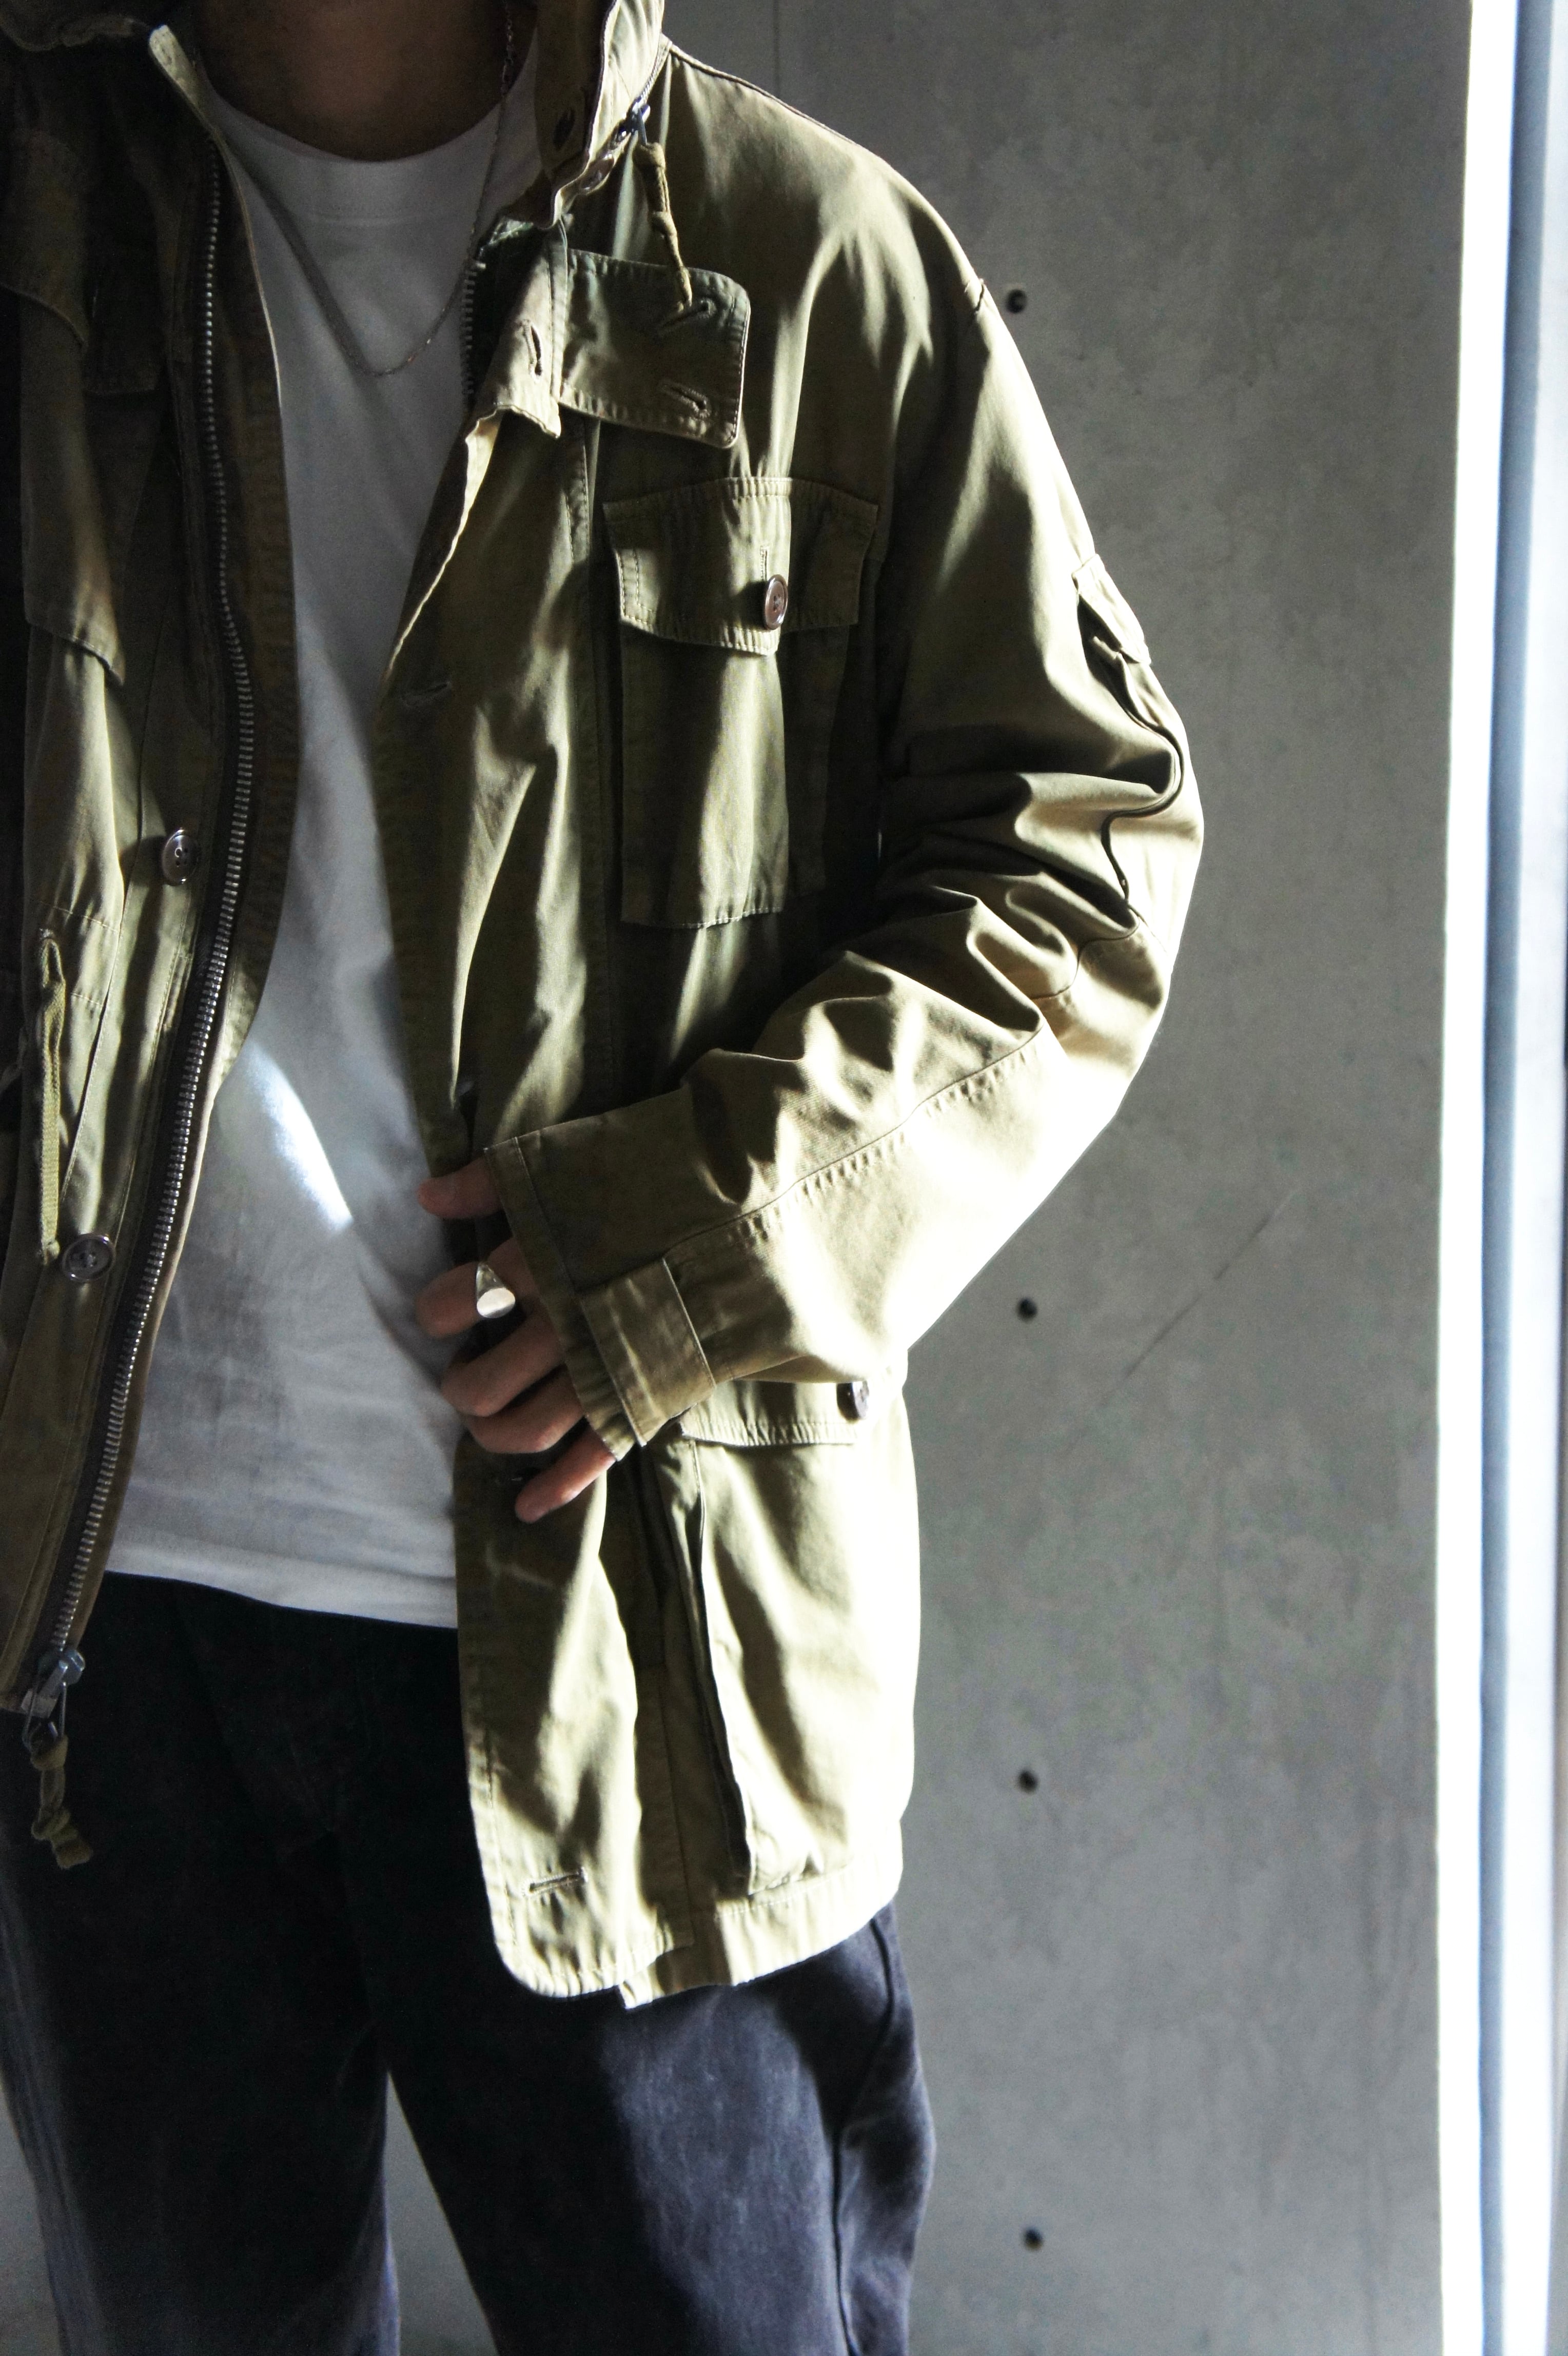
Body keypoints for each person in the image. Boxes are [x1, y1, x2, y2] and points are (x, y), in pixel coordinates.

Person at [0, 0, 1201, 2346]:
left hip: (640, 1623)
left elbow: (1077, 857)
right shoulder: (37, 218)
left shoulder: (798, 260)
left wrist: (698, 1246)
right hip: (101, 1626)